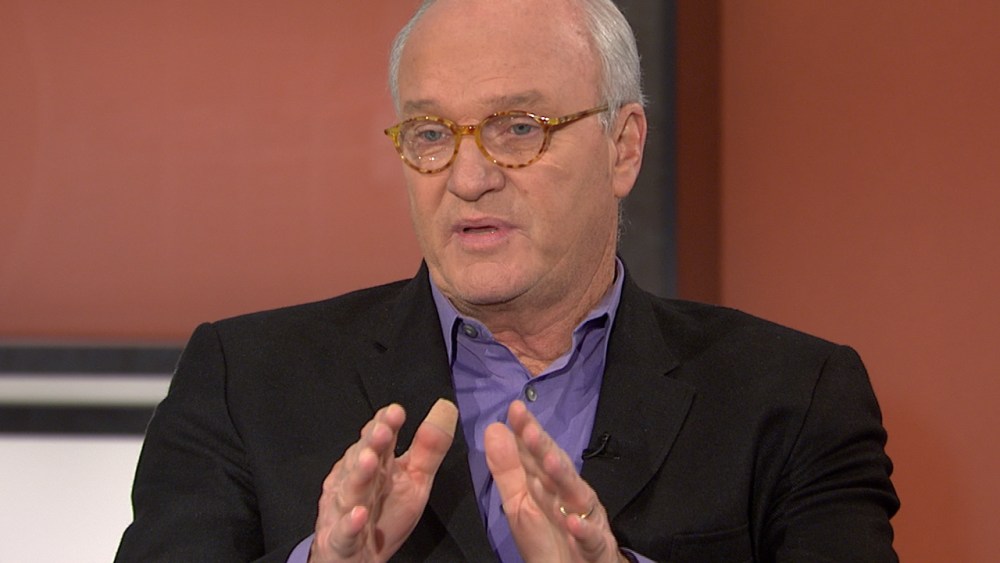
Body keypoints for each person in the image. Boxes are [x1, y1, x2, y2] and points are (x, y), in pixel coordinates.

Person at [115, 0, 899, 561]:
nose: (468, 177)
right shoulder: (243, 379)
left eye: (518, 128)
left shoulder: (794, 398)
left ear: (623, 148)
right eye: (431, 133)